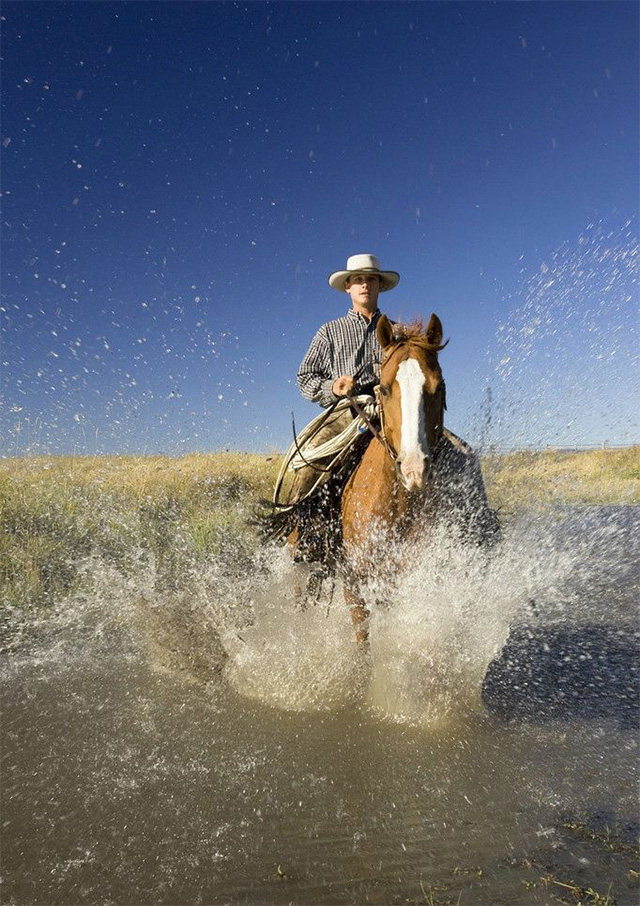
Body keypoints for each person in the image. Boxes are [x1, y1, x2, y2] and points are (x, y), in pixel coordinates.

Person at [288, 254, 400, 504]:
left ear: (380, 285)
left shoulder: (398, 332)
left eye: (371, 279)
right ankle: (298, 529)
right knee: (310, 463)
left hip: (392, 413)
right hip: (345, 414)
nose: (365, 285)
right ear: (348, 287)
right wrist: (334, 386)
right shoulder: (329, 332)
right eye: (358, 280)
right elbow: (305, 377)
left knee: (456, 451)